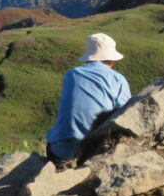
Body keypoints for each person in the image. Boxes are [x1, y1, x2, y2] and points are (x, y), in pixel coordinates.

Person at [45, 33, 131, 162]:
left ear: (88, 57)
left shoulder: (71, 74)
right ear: (111, 60)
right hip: (95, 150)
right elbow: (125, 115)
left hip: (61, 150)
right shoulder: (118, 79)